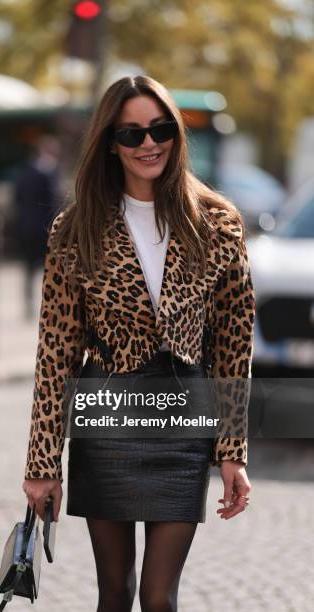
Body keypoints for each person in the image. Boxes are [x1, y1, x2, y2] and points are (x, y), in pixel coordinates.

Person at [22, 75, 254, 612]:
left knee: (158, 598)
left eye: (160, 129)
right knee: (114, 593)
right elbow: (55, 354)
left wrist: (232, 452)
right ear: (109, 143)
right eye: (131, 134)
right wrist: (41, 464)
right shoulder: (75, 230)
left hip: (182, 421)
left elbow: (234, 347)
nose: (149, 143)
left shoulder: (217, 225)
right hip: (106, 422)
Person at [14, 134, 60, 319]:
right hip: (45, 229)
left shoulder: (25, 171)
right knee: (50, 270)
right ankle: (48, 306)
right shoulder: (50, 172)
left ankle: (29, 304)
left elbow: (17, 198)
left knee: (29, 269)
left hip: (26, 226)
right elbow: (53, 203)